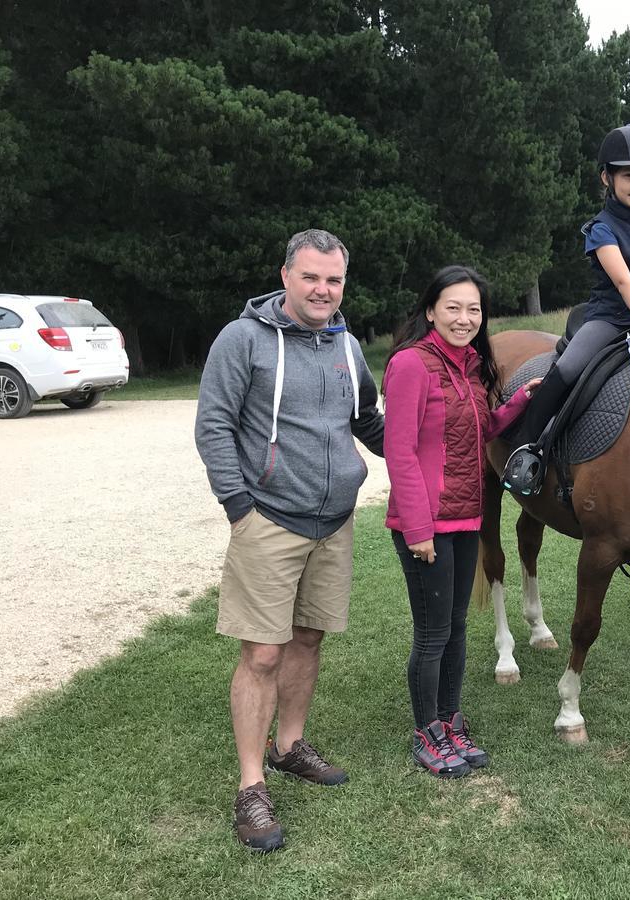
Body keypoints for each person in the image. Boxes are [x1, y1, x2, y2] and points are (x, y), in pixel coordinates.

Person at [195, 228, 385, 853]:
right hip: (268, 519)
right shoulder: (242, 340)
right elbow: (214, 425)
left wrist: (434, 435)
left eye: (333, 280)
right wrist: (238, 507)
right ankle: (251, 786)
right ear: (285, 276)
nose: (322, 290)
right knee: (263, 656)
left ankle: (289, 746)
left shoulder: (347, 344)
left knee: (307, 639)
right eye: (311, 277)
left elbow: (366, 421)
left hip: (333, 522)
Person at [382, 265, 540, 778]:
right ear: (431, 310)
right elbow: (400, 452)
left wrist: (517, 402)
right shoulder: (411, 364)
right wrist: (418, 529)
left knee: (456, 628)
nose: (465, 318)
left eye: (474, 309)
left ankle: (451, 721)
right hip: (424, 524)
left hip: (466, 517)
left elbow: (477, 429)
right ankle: (426, 731)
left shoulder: (471, 366)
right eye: (453, 307)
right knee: (432, 634)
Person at [501, 123, 630, 496]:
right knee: (565, 371)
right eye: (628, 175)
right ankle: (527, 449)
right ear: (606, 177)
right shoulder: (601, 228)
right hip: (610, 321)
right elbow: (624, 282)